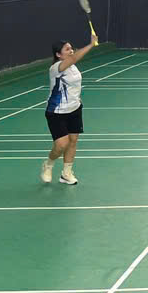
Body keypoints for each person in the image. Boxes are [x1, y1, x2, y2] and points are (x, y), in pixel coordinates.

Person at [41, 31, 98, 185]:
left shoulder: (73, 67)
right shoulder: (56, 68)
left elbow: (73, 84)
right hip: (56, 112)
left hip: (75, 109)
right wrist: (91, 44)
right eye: (67, 49)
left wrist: (76, 99)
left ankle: (66, 173)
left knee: (72, 141)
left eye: (71, 48)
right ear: (58, 55)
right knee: (61, 145)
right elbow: (73, 58)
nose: (71, 51)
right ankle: (48, 164)